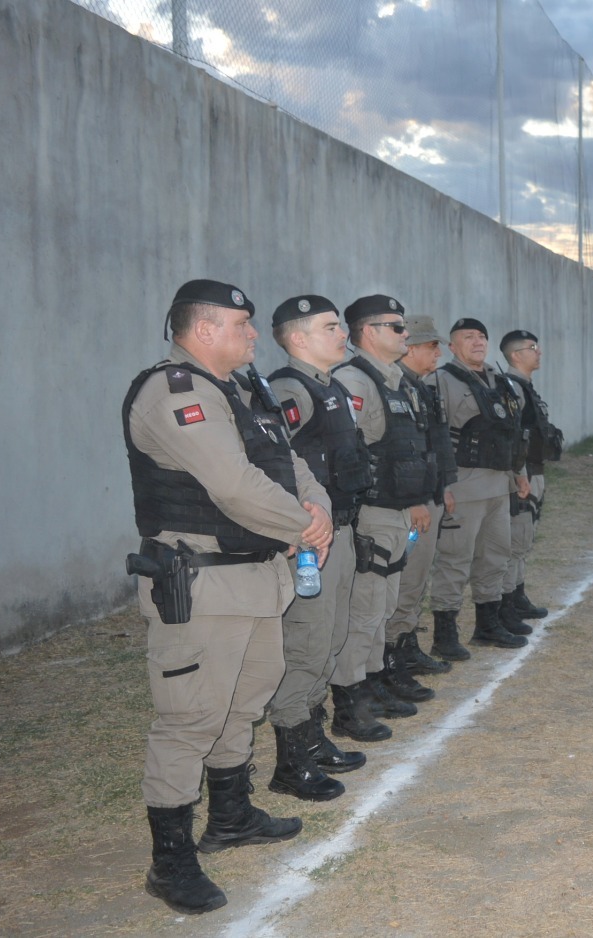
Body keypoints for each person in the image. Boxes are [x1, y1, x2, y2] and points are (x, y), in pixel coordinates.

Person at [125, 279, 333, 914]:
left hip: (254, 576)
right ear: (204, 330)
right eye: (242, 325)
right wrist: (305, 525)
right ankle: (171, 861)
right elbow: (234, 485)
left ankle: (232, 816)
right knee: (191, 717)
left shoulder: (241, 390)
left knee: (244, 703)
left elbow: (289, 463)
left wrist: (317, 509)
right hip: (203, 582)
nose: (252, 336)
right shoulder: (174, 391)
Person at [264, 294, 373, 802]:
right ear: (298, 338)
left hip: (341, 533)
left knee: (329, 639)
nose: (342, 334)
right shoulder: (288, 390)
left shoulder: (328, 386)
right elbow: (270, 463)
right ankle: (291, 759)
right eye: (331, 327)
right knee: (306, 643)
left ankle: (313, 736)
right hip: (311, 543)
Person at [332, 295, 436, 729]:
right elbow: (346, 452)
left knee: (383, 605)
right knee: (366, 609)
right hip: (372, 512)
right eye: (396, 327)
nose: (405, 334)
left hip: (393, 510)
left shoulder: (391, 379)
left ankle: (371, 681)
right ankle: (350, 700)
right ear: (369, 332)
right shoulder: (355, 381)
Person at [426, 318, 531, 652]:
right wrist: (441, 484)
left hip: (500, 486)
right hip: (463, 488)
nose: (477, 341)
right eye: (467, 337)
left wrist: (520, 471)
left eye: (482, 336)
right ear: (452, 347)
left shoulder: (500, 381)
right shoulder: (440, 380)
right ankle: (445, 635)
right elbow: (432, 436)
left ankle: (488, 624)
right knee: (455, 560)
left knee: (495, 557)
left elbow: (511, 431)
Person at [386, 316, 461, 668]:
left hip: (428, 495)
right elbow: (400, 451)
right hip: (408, 502)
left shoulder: (423, 387)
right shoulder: (393, 386)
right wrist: (416, 499)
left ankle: (407, 642)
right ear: (410, 347)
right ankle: (394, 653)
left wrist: (443, 486)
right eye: (432, 345)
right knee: (405, 577)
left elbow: (438, 443)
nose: (439, 352)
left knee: (417, 576)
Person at [499, 329, 562, 627]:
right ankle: (506, 602)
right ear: (515, 355)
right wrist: (518, 476)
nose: (539, 352)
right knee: (515, 540)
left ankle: (518, 593)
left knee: (525, 539)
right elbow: (512, 439)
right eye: (532, 347)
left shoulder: (525, 386)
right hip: (523, 475)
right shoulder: (511, 387)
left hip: (536, 470)